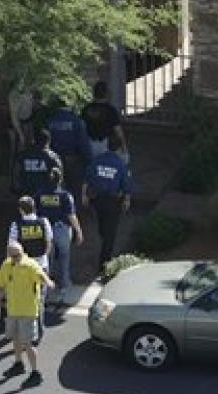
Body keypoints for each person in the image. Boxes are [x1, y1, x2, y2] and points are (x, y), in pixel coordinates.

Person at [0, 241, 55, 387]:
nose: (16, 258)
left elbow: (41, 275)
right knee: (15, 338)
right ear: (9, 255)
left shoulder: (30, 265)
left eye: (18, 255)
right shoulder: (7, 265)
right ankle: (18, 364)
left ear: (22, 252)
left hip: (28, 311)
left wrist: (48, 281)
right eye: (13, 256)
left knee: (27, 343)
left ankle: (35, 373)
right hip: (13, 309)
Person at [82, 133, 134, 272]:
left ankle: (104, 242)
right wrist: (127, 200)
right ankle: (104, 264)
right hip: (112, 202)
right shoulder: (120, 165)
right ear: (118, 149)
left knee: (103, 227)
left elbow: (87, 178)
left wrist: (84, 196)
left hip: (97, 200)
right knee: (110, 234)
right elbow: (126, 185)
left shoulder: (97, 160)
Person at [8, 196, 53, 343]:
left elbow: (12, 248)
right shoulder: (43, 222)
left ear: (21, 210)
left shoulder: (16, 225)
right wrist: (43, 257)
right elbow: (48, 242)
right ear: (34, 207)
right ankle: (39, 332)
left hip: (23, 268)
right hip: (41, 266)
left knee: (24, 299)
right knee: (40, 300)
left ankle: (22, 332)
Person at [35, 167, 83, 302]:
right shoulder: (65, 195)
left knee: (46, 259)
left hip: (44, 230)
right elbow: (71, 215)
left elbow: (35, 212)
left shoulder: (39, 194)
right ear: (60, 179)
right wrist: (78, 231)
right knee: (63, 257)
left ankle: (46, 286)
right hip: (61, 229)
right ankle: (63, 285)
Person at [47, 98, 91, 198]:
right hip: (73, 160)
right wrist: (88, 160)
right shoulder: (77, 121)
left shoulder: (50, 121)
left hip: (53, 159)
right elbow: (83, 144)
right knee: (73, 190)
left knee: (54, 188)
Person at [81, 80, 128, 161]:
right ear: (106, 94)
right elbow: (118, 131)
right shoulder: (111, 110)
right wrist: (124, 146)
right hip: (105, 144)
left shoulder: (86, 109)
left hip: (90, 144)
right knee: (123, 158)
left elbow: (81, 128)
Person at [13, 128, 63, 196]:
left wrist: (18, 190)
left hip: (26, 194)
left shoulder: (23, 155)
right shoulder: (53, 157)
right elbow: (59, 177)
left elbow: (16, 173)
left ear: (34, 140)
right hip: (46, 196)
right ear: (48, 141)